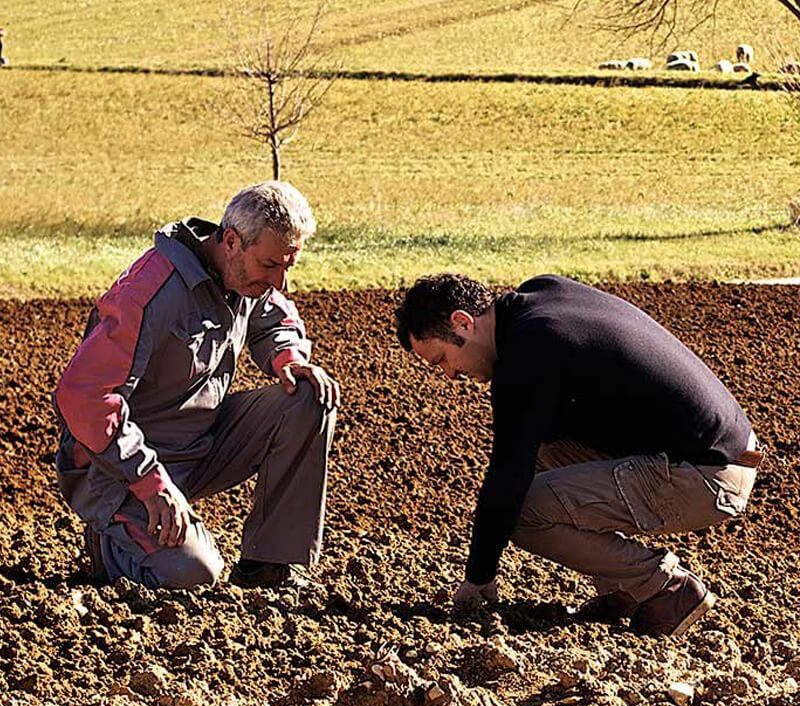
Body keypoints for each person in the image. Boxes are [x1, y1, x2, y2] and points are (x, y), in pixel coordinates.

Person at [395, 273, 762, 637]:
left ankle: (667, 588)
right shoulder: (540, 298)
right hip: (718, 451)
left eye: (442, 359)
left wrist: (478, 580)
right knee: (541, 458)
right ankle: (625, 589)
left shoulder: (528, 351)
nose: (448, 375)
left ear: (463, 322)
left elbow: (507, 473)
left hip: (707, 474)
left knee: (522, 514)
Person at [54, 181, 339, 590]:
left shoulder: (245, 275)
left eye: (286, 267)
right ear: (230, 241)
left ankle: (268, 564)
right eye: (270, 266)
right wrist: (149, 481)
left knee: (309, 397)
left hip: (197, 446)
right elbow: (84, 398)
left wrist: (288, 357)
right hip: (120, 470)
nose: (280, 283)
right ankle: (110, 541)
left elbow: (277, 319)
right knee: (194, 573)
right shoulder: (148, 292)